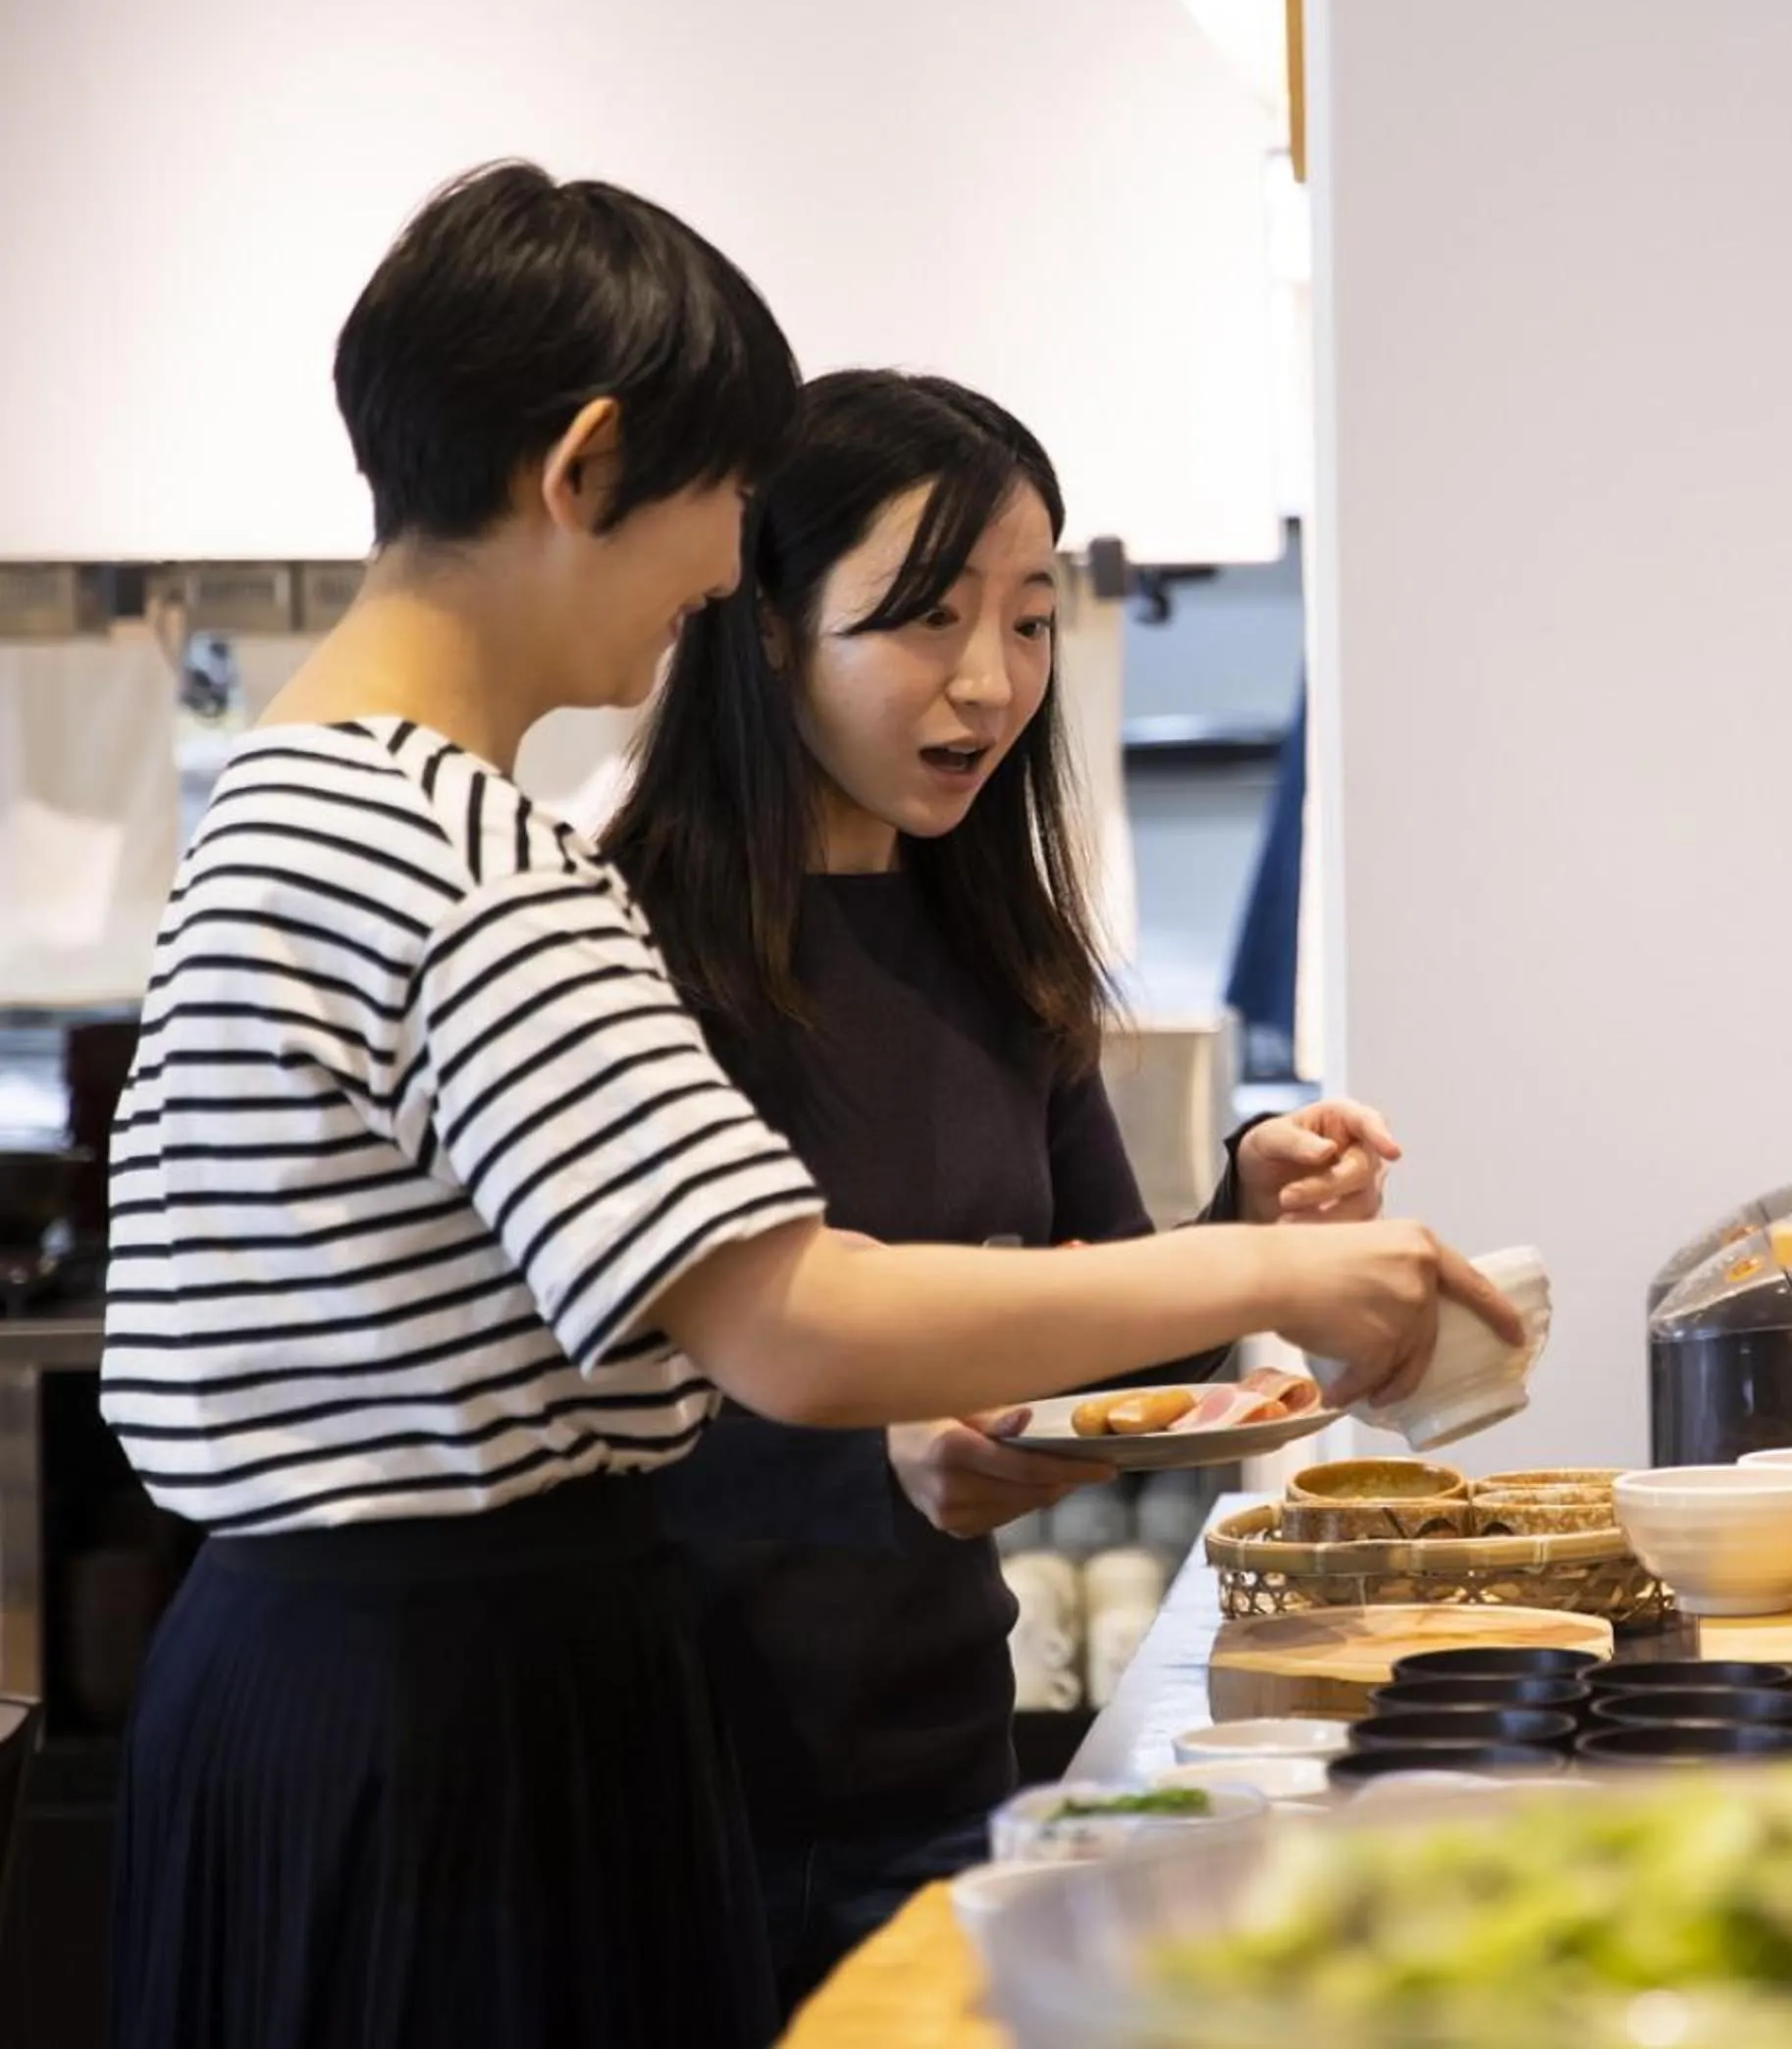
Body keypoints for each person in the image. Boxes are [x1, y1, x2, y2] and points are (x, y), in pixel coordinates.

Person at [97, 164, 1516, 2049]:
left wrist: (1224, 1249)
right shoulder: (466, 854)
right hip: (451, 1716)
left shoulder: (278, 798)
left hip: (320, 1691)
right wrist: (1270, 1260)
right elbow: (792, 1314)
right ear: (588, 467)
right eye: (716, 511)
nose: (715, 573)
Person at [602, 369, 1397, 2000]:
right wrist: (876, 1463)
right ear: (763, 625)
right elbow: (583, 1402)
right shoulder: (623, 949)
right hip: (676, 1787)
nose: (991, 680)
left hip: (943, 1754)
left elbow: (1106, 1342)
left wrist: (1248, 1218)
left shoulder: (1000, 946)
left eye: (1031, 622)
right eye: (926, 617)